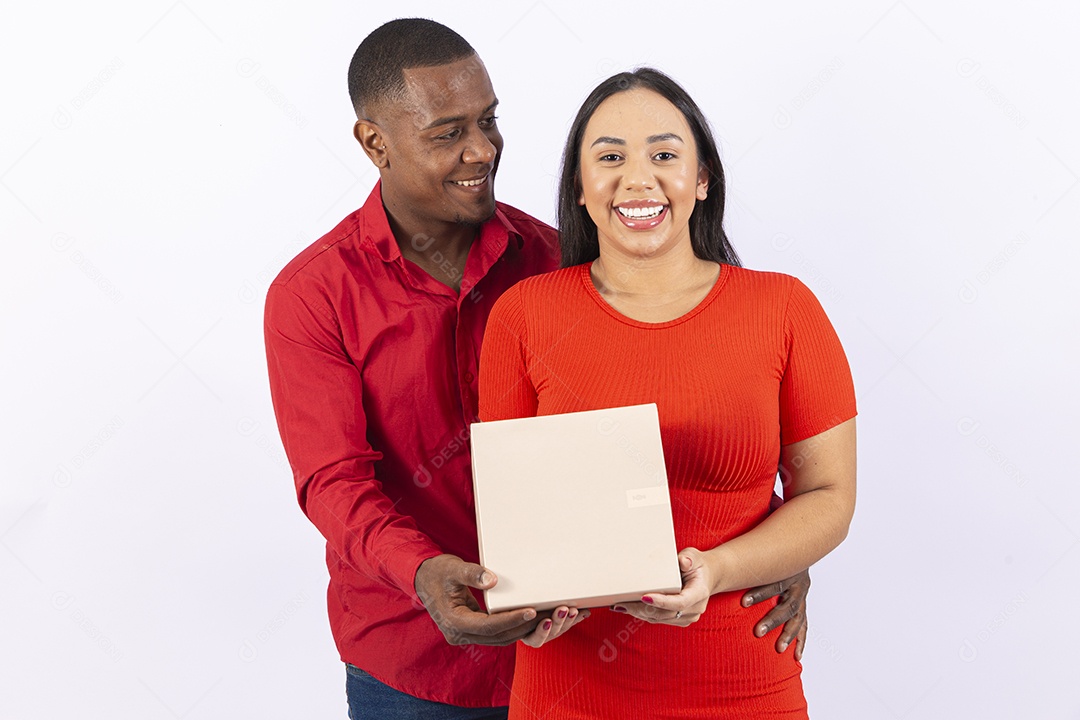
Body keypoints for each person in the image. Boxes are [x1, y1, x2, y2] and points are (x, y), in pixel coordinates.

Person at [264, 19, 814, 720]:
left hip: (587, 658)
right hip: (413, 662)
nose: (483, 150)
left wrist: (772, 547)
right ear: (375, 143)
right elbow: (334, 481)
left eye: (489, 122)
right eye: (447, 134)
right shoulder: (312, 295)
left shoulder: (565, 261)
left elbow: (676, 413)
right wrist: (424, 574)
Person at [478, 67, 857, 719]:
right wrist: (529, 609)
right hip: (568, 690)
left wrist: (718, 569)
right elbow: (515, 517)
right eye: (610, 158)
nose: (638, 178)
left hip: (741, 681)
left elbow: (828, 497)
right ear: (581, 184)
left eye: (663, 154)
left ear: (701, 178)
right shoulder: (523, 317)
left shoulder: (784, 309)